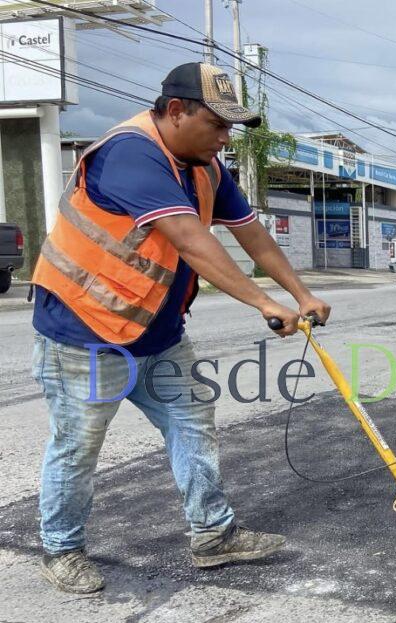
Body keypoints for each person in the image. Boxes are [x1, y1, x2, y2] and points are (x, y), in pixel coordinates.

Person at [30, 62, 331, 594]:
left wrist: (301, 294)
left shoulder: (206, 166)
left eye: (230, 127)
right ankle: (61, 549)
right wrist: (265, 303)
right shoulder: (130, 152)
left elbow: (252, 235)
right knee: (77, 447)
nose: (225, 137)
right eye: (217, 125)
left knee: (193, 423)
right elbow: (193, 241)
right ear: (175, 111)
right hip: (85, 333)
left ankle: (212, 535)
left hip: (159, 335)